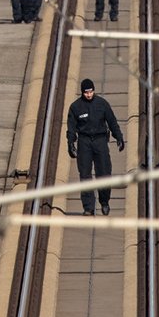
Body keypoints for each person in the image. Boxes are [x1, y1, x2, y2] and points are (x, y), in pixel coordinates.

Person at [65, 78, 125, 216]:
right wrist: (70, 143)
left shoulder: (102, 104)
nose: (89, 95)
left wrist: (119, 137)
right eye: (86, 93)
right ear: (82, 93)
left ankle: (104, 202)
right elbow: (71, 128)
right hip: (84, 142)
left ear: (93, 90)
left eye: (91, 92)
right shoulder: (75, 107)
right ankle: (88, 207)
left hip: (100, 141)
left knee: (104, 173)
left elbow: (112, 122)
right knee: (85, 175)